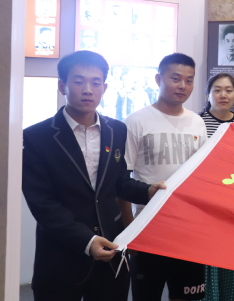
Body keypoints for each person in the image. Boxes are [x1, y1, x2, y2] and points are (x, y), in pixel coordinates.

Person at [22, 50, 165, 301]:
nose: (88, 90)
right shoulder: (36, 136)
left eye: (96, 82)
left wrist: (147, 190)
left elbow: (117, 182)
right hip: (60, 256)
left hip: (110, 254)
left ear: (104, 87)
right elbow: (42, 203)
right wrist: (87, 241)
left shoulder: (116, 129)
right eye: (78, 81)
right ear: (62, 86)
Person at [123, 53, 208, 301]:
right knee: (146, 295)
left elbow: (202, 176)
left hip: (188, 229)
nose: (183, 86)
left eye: (189, 80)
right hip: (149, 227)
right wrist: (129, 228)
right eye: (175, 78)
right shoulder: (136, 121)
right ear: (158, 79)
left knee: (187, 296)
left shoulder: (197, 122)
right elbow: (122, 181)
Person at [199, 73, 234, 301]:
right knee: (205, 261)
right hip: (203, 202)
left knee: (232, 259)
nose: (223, 95)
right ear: (208, 94)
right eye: (217, 90)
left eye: (229, 90)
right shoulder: (196, 122)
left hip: (233, 202)